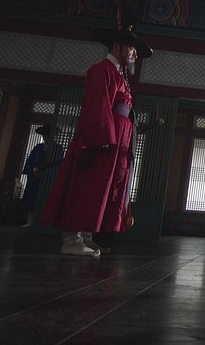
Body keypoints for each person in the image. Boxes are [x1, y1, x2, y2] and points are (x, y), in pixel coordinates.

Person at [39, 25, 152, 257]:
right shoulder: (101, 70)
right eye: (131, 49)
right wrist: (102, 137)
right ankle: (72, 239)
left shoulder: (119, 74)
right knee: (86, 187)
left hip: (116, 143)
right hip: (101, 140)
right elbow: (98, 105)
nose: (134, 54)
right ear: (117, 46)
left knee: (101, 191)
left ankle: (88, 237)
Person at [19, 124, 63, 227]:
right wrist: (33, 170)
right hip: (35, 178)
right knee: (32, 199)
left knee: (47, 200)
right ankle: (30, 221)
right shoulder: (38, 147)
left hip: (49, 178)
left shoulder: (58, 148)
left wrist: (47, 172)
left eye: (47, 135)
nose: (45, 137)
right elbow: (30, 160)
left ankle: (44, 223)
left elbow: (59, 163)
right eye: (44, 135)